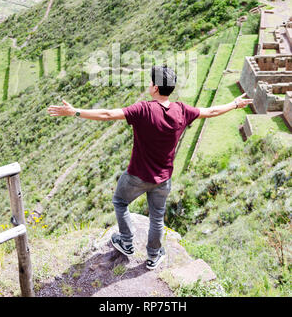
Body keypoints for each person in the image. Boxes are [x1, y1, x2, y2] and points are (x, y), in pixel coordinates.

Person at [47, 65, 253, 270]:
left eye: (150, 81)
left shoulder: (143, 110)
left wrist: (75, 112)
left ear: (155, 87)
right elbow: (212, 111)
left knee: (120, 201)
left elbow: (108, 115)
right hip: (163, 179)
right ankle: (153, 256)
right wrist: (234, 104)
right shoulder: (182, 111)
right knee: (156, 216)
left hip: (137, 175)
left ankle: (126, 241)